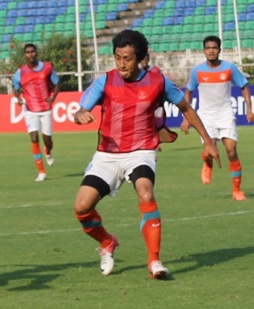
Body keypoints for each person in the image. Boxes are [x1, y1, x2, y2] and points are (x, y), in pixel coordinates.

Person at [73, 30, 220, 280]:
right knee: (82, 208)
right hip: (107, 154)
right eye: (118, 57)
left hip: (141, 151)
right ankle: (107, 242)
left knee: (145, 192)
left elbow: (186, 109)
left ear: (140, 59)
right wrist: (79, 115)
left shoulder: (157, 82)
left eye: (127, 58)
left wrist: (207, 141)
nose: (121, 64)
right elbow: (80, 110)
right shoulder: (106, 81)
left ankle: (154, 261)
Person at [180, 35, 253, 201]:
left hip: (225, 113)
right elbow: (189, 91)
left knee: (231, 151)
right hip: (206, 115)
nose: (211, 51)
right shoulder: (197, 71)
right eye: (208, 48)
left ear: (219, 50)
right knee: (209, 151)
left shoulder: (229, 68)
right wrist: (186, 118)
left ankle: (236, 190)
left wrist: (249, 109)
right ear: (204, 50)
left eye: (214, 48)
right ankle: (207, 161)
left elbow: (244, 86)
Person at [12, 43, 60, 182]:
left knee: (47, 140)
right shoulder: (20, 72)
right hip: (30, 109)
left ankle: (48, 151)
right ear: (25, 55)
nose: (30, 54)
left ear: (36, 53)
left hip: (45, 108)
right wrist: (18, 98)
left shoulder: (47, 68)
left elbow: (57, 83)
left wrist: (52, 98)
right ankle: (41, 171)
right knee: (33, 138)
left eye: (33, 52)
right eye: (28, 52)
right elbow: (15, 87)